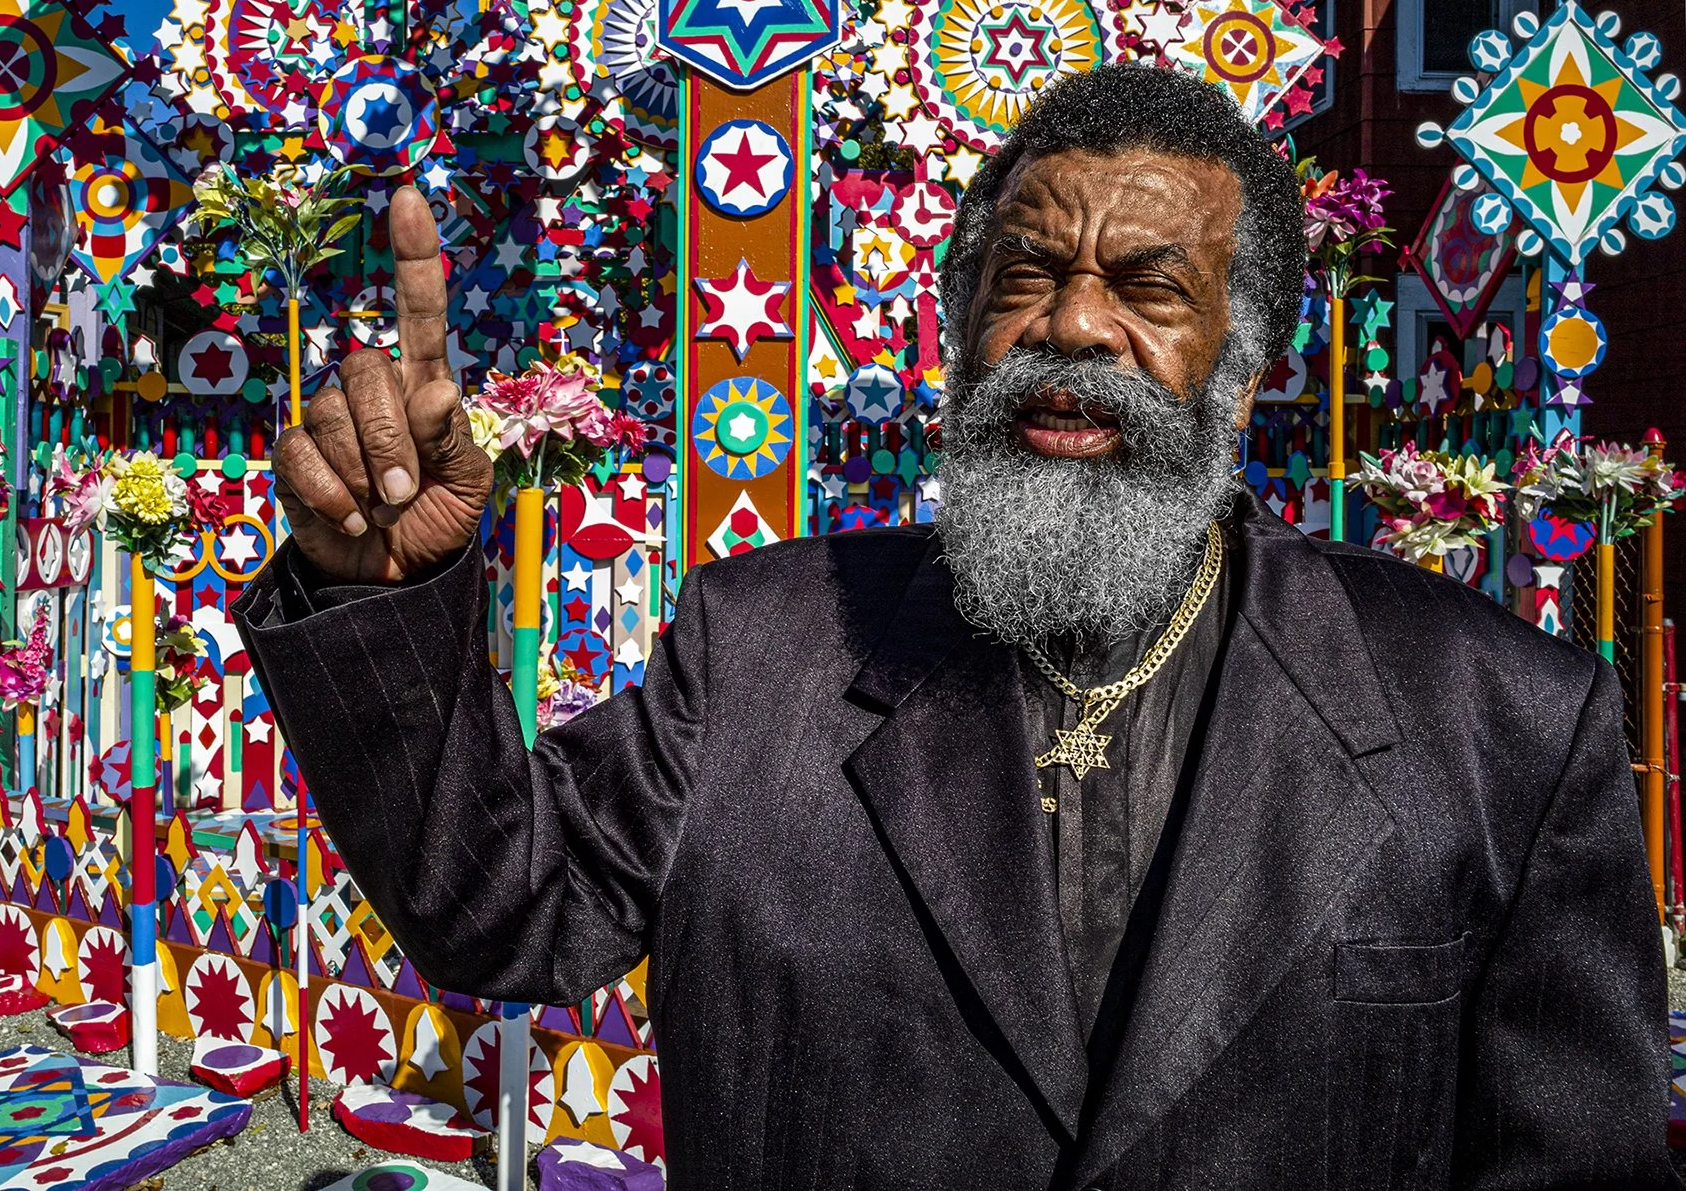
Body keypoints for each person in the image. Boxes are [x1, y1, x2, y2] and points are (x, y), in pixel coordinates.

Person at [237, 64, 1668, 1188]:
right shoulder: (765, 648)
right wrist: (381, 597)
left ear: (1242, 372)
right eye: (1026, 278)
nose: (1075, 327)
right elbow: (501, 901)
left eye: (1151, 286)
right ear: (960, 327)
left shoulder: (1503, 721)